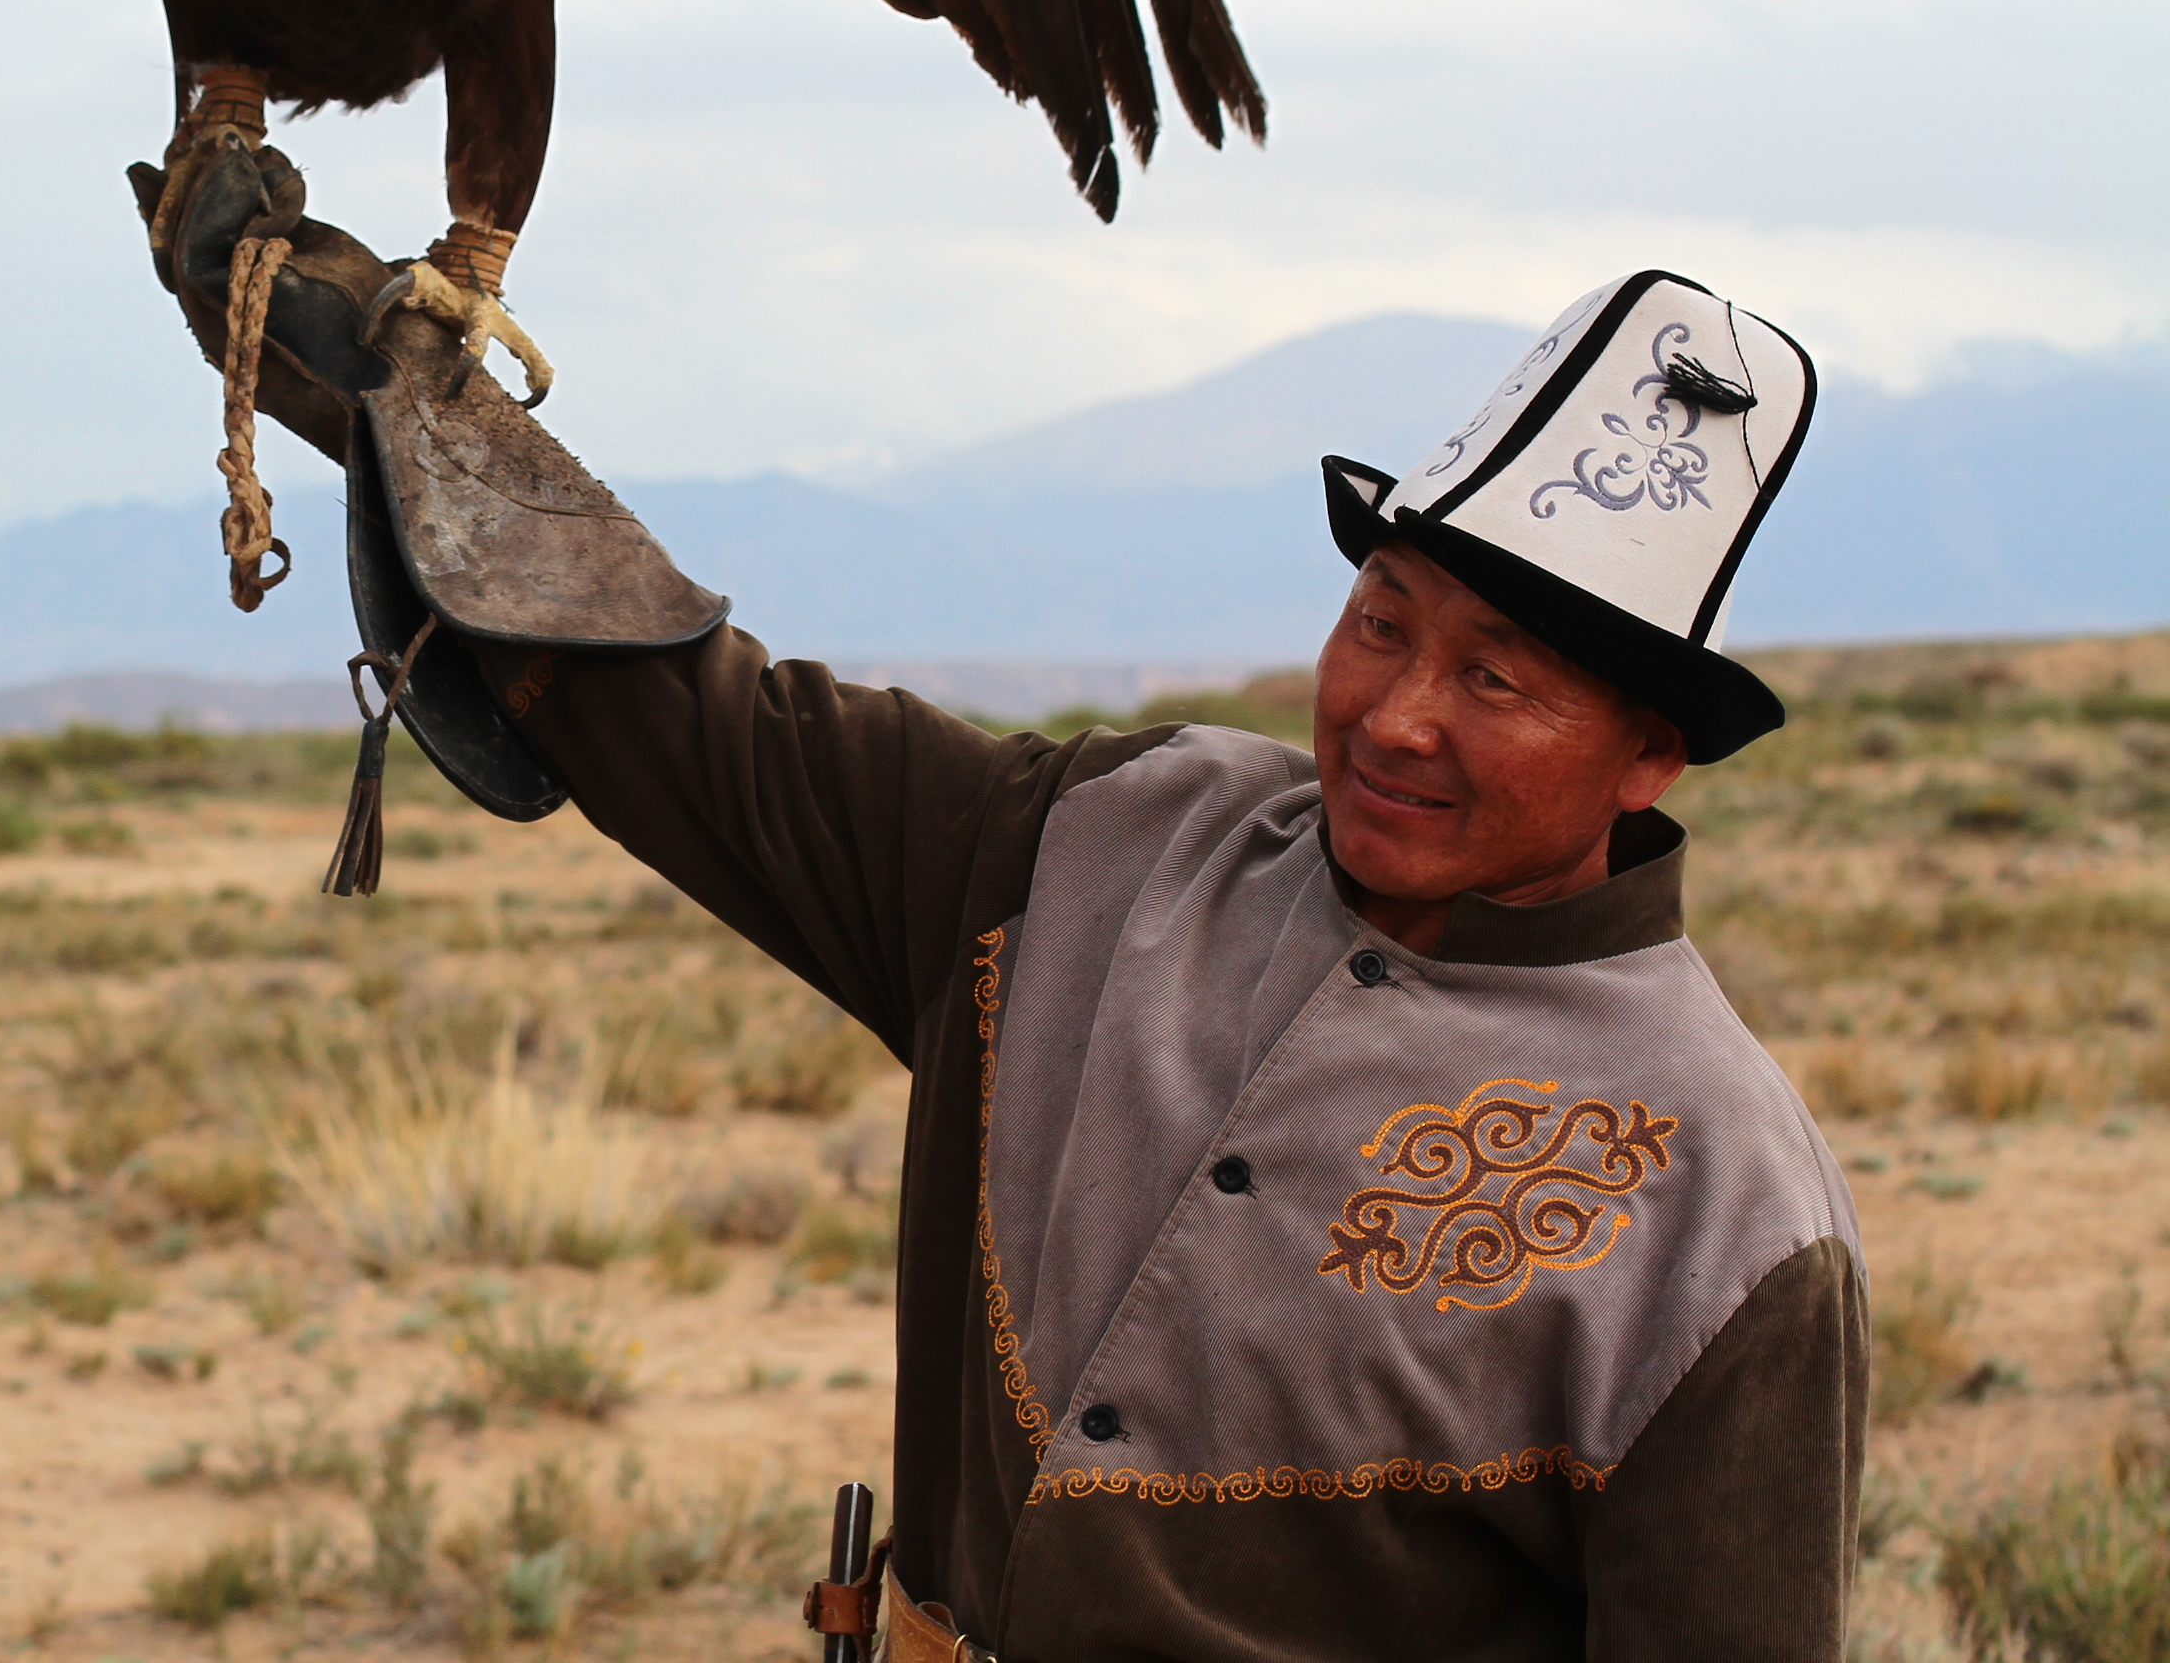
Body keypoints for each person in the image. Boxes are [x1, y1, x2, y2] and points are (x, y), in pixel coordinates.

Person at [154, 152, 1865, 1663]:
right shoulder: (1108, 844)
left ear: (1649, 755)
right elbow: (716, 740)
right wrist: (399, 399)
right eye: (1382, 622)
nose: (1399, 711)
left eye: (1496, 676)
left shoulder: (1729, 1218)